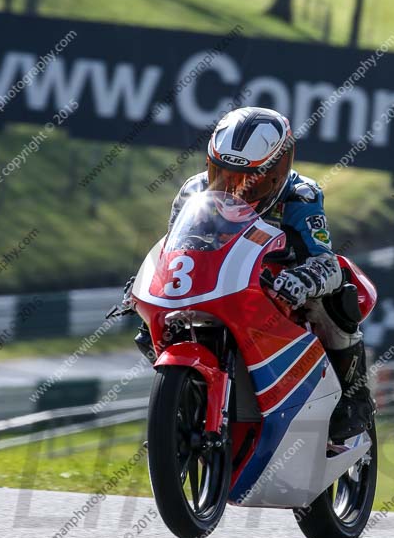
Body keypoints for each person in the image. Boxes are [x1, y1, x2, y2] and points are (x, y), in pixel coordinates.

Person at [124, 107, 375, 442]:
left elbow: (325, 261)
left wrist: (302, 279)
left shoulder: (301, 195)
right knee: (147, 331)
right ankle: (185, 401)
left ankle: (354, 397)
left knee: (341, 294)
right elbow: (174, 248)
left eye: (246, 181)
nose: (232, 190)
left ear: (278, 171)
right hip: (215, 284)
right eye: (221, 174)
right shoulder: (192, 191)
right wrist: (145, 280)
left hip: (277, 290)